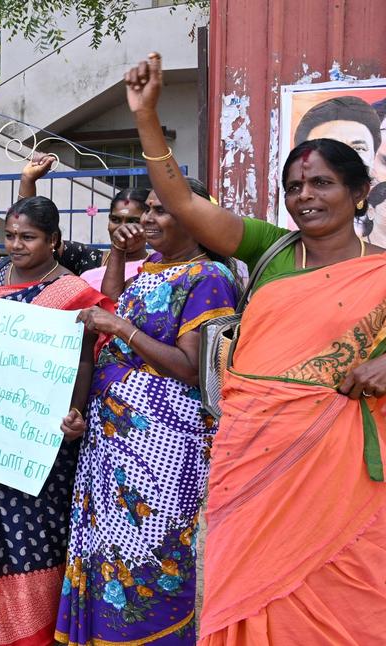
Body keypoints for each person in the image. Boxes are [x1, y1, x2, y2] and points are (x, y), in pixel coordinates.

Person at [125, 52, 386, 645]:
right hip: (251, 455)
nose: (305, 196)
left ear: (359, 192)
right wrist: (145, 119)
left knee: (341, 591)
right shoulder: (268, 248)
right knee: (246, 582)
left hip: (338, 469)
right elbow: (186, 204)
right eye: (294, 186)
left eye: (321, 183)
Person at [56, 182, 238, 644]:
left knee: (152, 552)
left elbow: (192, 369)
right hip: (113, 440)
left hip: (161, 445)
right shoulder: (156, 266)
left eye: (162, 211)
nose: (148, 218)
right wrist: (117, 254)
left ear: (195, 220)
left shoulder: (209, 278)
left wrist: (120, 328)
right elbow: (115, 299)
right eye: (149, 209)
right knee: (108, 547)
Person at [0, 197, 111, 646]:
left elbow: (84, 361)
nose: (15, 245)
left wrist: (77, 410)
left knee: (34, 532)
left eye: (27, 237)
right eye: (9, 236)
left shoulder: (74, 293)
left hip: (42, 434)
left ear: (54, 241)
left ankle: (31, 630)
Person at [18, 153, 106, 274]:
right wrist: (27, 179)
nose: (16, 245)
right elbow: (24, 225)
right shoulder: (87, 257)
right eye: (116, 219)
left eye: (134, 221)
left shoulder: (139, 273)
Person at [78, 187, 150, 289]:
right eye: (115, 220)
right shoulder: (88, 267)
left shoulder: (155, 269)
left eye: (133, 221)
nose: (122, 228)